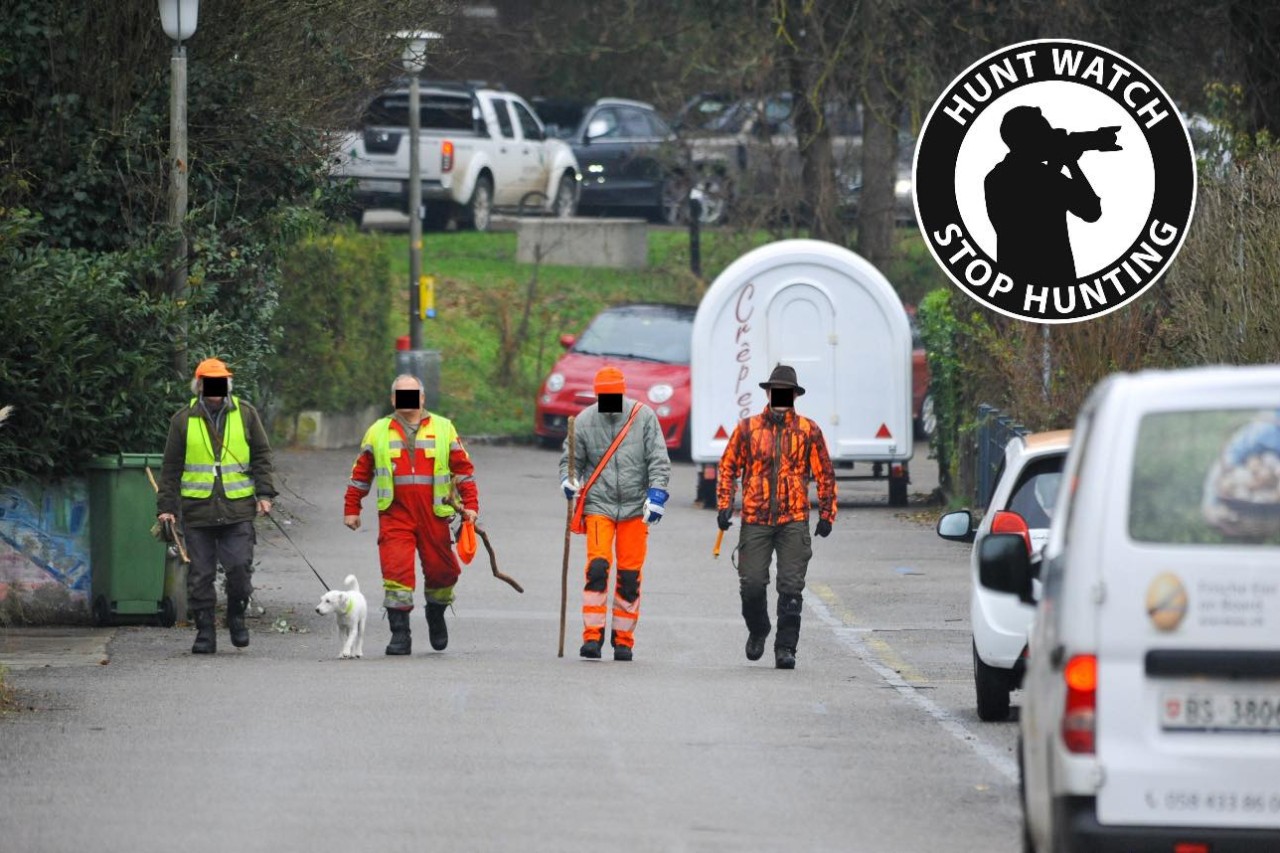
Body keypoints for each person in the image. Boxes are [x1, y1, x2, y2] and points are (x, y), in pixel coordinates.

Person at [344, 375, 479, 655]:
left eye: (412, 393)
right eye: (400, 394)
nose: (406, 398)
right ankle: (400, 634)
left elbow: (463, 469)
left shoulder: (444, 428)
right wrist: (352, 508)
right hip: (396, 515)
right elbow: (360, 473)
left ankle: (436, 614)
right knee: (397, 573)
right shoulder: (378, 431)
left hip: (435, 515)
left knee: (444, 573)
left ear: (422, 398)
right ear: (393, 400)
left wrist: (471, 505)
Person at [717, 363, 837, 669]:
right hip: (755, 519)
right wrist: (724, 505)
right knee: (752, 584)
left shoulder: (809, 430)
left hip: (794, 519)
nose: (781, 396)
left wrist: (827, 513)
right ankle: (758, 629)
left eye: (787, 392)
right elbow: (728, 467)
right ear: (769, 393)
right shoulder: (748, 429)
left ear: (794, 396)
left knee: (791, 587)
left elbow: (824, 473)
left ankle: (786, 648)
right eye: (776, 391)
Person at [156, 357, 276, 654]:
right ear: (199, 385)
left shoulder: (246, 414)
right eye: (209, 381)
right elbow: (170, 467)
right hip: (198, 512)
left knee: (238, 570)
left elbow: (262, 455)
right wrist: (166, 507)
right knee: (200, 575)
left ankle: (236, 617)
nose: (215, 387)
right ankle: (205, 632)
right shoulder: (182, 419)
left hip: (237, 510)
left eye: (220, 381)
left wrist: (264, 494)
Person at [560, 366, 670, 662]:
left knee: (630, 576)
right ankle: (592, 638)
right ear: (597, 395)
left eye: (614, 395)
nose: (610, 399)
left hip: (635, 507)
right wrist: (569, 480)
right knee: (597, 567)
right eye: (604, 395)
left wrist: (657, 494)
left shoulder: (644, 417)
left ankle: (624, 640)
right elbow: (571, 460)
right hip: (599, 505)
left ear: (623, 392)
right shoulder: (583, 421)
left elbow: (659, 459)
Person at [985, 105, 1104, 284]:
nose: (1050, 139)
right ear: (1028, 140)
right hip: (1029, 283)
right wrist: (1065, 162)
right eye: (1045, 134)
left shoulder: (998, 177)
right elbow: (1033, 208)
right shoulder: (1001, 179)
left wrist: (1071, 163)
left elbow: (1091, 211)